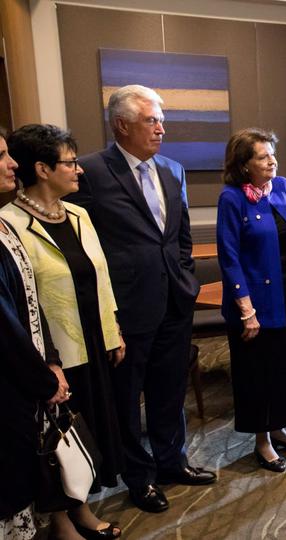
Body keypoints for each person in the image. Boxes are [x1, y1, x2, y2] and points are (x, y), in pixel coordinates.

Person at [68, 84, 215, 514]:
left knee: (170, 389)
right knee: (128, 397)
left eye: (161, 121)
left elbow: (180, 234)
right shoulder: (90, 171)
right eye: (151, 121)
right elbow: (83, 244)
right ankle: (139, 477)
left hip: (174, 300)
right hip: (126, 308)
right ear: (121, 125)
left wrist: (185, 276)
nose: (161, 129)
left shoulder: (172, 169)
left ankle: (173, 461)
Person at [1, 124, 125, 539]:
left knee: (86, 432)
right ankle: (61, 520)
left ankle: (81, 509)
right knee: (54, 438)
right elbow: (23, 300)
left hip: (93, 341)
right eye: (70, 163)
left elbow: (100, 278)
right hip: (52, 352)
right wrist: (47, 361)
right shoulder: (10, 223)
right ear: (42, 169)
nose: (79, 170)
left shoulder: (79, 214)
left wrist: (114, 328)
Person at [216, 128, 286, 474]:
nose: (272, 161)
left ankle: (279, 428)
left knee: (284, 370)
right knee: (257, 374)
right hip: (254, 303)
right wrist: (246, 310)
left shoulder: (281, 187)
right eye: (262, 156)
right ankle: (262, 440)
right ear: (244, 165)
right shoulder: (232, 198)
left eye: (272, 154)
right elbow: (229, 258)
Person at [0, 128, 68, 540]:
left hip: (27, 377)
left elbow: (30, 298)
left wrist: (52, 360)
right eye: (1, 156)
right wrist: (43, 380)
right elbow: (4, 325)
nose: (12, 164)